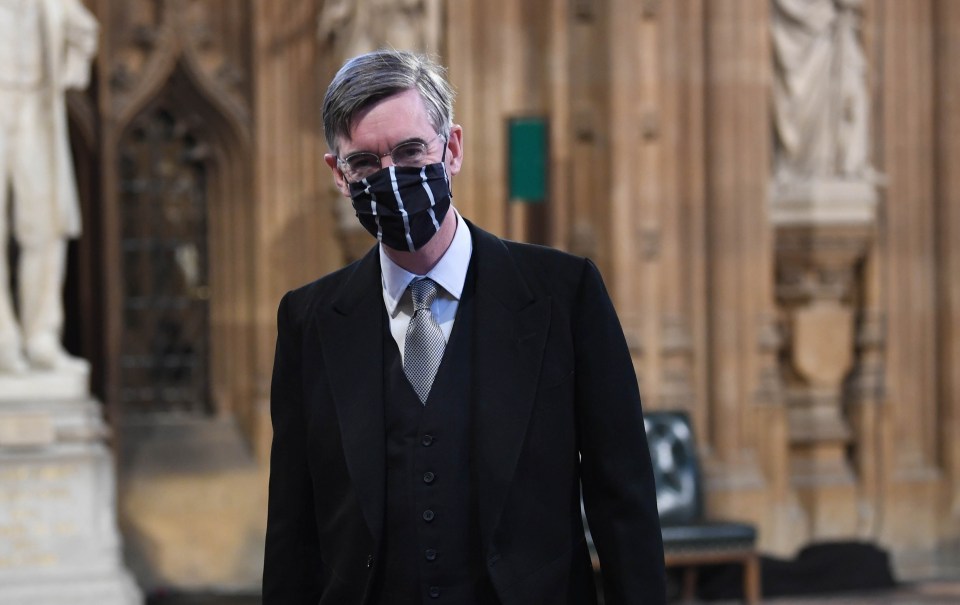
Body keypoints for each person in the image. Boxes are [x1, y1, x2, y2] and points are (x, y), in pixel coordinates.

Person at [263, 49, 665, 605]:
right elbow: (292, 521)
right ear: (338, 174)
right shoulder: (308, 320)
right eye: (364, 164)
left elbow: (622, 497)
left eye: (410, 151)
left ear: (451, 148)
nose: (391, 177)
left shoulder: (562, 295)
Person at [0, 0, 98, 374]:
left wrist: (70, 71)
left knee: (45, 227)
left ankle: (41, 337)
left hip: (33, 109)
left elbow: (84, 31)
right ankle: (3, 341)